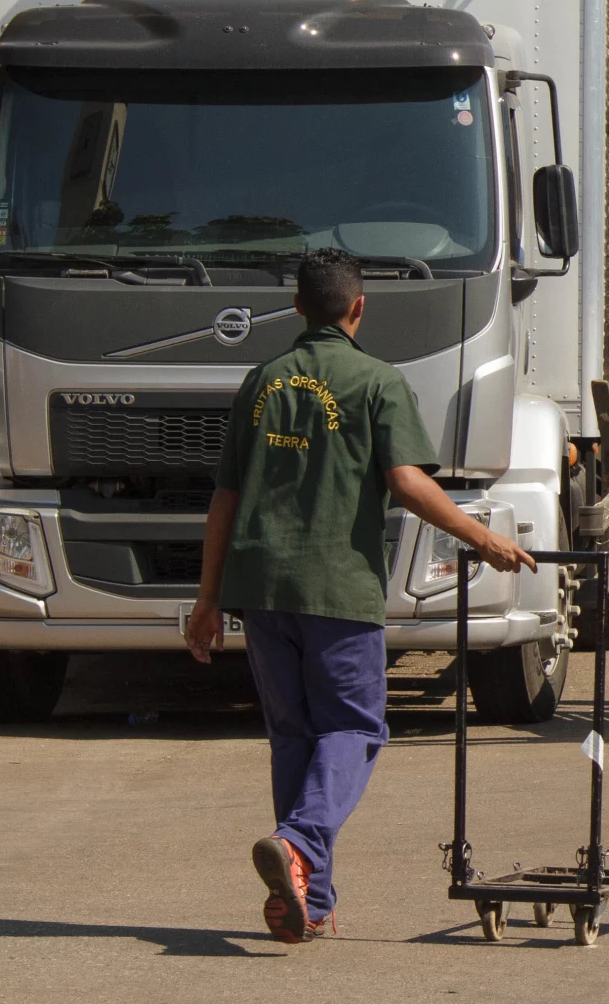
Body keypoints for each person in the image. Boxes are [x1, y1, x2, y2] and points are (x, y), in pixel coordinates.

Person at [184, 248, 535, 944]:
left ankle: (310, 901)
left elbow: (223, 497)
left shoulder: (261, 381)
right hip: (335, 586)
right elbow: (406, 481)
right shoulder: (377, 381)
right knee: (355, 727)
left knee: (295, 736)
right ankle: (299, 846)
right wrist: (481, 537)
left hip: (260, 588)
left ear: (295, 307)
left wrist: (206, 598)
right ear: (359, 307)